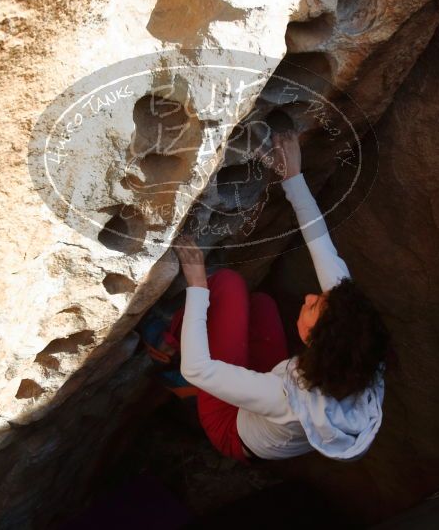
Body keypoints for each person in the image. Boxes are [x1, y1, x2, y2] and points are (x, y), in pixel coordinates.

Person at [159, 132, 390, 464]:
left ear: (313, 338)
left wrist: (196, 285)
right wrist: (293, 179)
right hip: (272, 414)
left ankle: (165, 345)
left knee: (225, 285)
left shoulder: (287, 397)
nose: (310, 296)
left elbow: (197, 369)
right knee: (261, 306)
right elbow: (323, 248)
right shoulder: (361, 353)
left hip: (231, 429)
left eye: (313, 307)